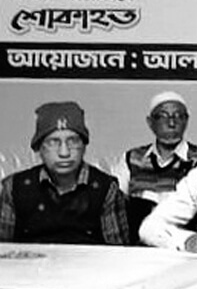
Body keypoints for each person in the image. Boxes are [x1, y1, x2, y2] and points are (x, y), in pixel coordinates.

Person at [0, 102, 128, 245]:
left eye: (73, 141)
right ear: (39, 148)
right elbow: (3, 248)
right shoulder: (14, 188)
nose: (64, 153)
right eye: (53, 142)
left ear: (84, 146)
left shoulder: (105, 189)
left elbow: (118, 252)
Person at [114, 92, 197, 244]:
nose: (172, 123)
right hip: (135, 244)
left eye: (178, 116)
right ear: (150, 122)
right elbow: (116, 203)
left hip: (180, 243)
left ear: (186, 121)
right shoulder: (131, 159)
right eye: (163, 116)